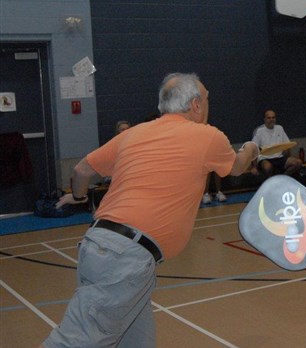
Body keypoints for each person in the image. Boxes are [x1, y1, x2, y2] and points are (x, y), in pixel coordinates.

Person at [39, 72, 258, 348]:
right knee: (77, 340)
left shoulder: (134, 134)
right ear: (195, 105)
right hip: (125, 257)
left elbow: (82, 170)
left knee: (137, 341)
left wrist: (79, 198)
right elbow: (237, 167)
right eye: (206, 99)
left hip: (105, 247)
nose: (206, 105)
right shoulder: (207, 136)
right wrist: (251, 147)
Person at [250, 109, 302, 178]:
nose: (271, 119)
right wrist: (254, 167)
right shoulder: (259, 131)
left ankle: (282, 178)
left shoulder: (280, 128)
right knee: (267, 167)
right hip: (265, 158)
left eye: (273, 117)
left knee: (298, 163)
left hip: (279, 157)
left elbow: (287, 144)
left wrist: (288, 155)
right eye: (269, 118)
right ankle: (273, 183)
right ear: (265, 119)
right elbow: (253, 149)